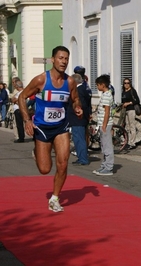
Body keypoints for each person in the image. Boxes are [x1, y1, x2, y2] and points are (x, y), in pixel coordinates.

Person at [17, 45, 83, 212]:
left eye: (66, 59)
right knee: (45, 169)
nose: (63, 61)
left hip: (61, 127)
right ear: (53, 59)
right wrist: (27, 120)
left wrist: (77, 107)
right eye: (60, 58)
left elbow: (75, 100)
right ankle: (37, 151)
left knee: (63, 162)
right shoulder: (41, 80)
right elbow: (22, 97)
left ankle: (55, 198)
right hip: (42, 128)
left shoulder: (69, 82)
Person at [92, 74, 114, 176]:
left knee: (107, 146)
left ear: (103, 85)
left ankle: (108, 167)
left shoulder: (107, 96)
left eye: (98, 85)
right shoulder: (105, 95)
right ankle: (104, 165)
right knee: (103, 145)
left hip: (105, 124)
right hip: (101, 123)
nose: (97, 87)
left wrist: (104, 125)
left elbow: (107, 112)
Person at [68, 73, 92, 165]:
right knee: (79, 138)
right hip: (81, 118)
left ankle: (83, 158)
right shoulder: (84, 89)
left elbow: (82, 105)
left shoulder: (79, 90)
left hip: (78, 118)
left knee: (79, 138)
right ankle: (81, 157)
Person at [121, 78, 140, 150]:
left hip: (131, 110)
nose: (126, 84)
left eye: (128, 83)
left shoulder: (132, 91)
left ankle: (132, 142)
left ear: (130, 84)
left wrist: (128, 103)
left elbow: (137, 100)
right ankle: (127, 141)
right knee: (127, 127)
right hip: (125, 111)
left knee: (132, 125)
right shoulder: (123, 92)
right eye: (125, 83)